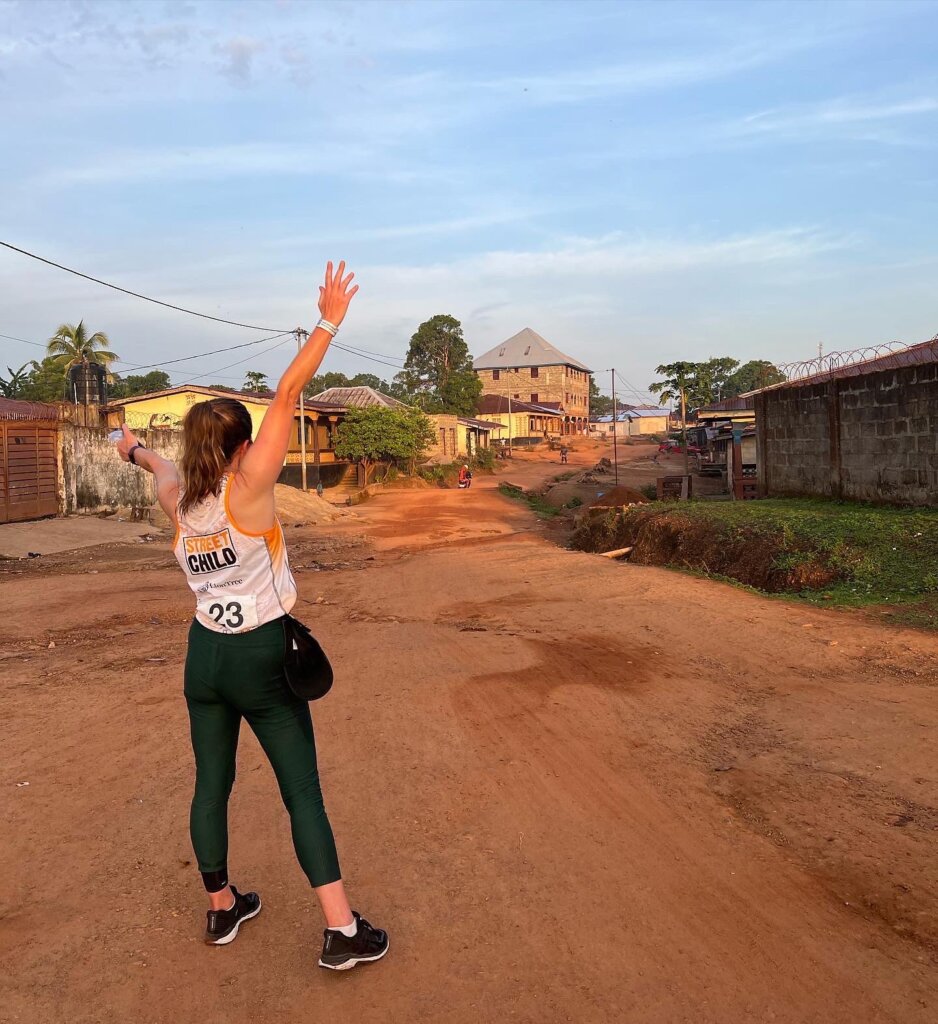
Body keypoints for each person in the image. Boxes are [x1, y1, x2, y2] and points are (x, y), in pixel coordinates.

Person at [115, 262, 388, 972]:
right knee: (301, 789)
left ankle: (222, 906)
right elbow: (291, 390)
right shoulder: (250, 488)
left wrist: (131, 448)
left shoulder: (178, 498)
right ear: (241, 447)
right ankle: (340, 930)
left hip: (202, 657)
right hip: (260, 654)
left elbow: (155, 465)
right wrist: (328, 320)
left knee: (212, 783)